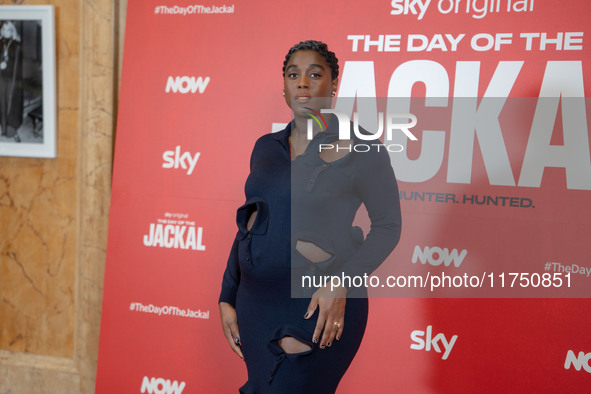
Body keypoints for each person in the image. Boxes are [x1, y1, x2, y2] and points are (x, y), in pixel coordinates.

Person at [219, 40, 401, 393]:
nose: (302, 83)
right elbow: (249, 225)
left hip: (316, 302)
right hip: (255, 303)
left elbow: (388, 227)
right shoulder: (265, 148)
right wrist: (228, 294)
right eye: (293, 75)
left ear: (334, 84)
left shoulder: (363, 147)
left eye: (314, 74)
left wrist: (341, 282)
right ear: (284, 88)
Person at [0, 20, 23, 142]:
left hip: (12, 80)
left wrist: (6, 65)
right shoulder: (0, 42)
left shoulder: (16, 45)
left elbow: (17, 65)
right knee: (2, 103)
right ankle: (3, 129)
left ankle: (12, 131)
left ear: (12, 31)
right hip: (1, 78)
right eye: (3, 29)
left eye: (8, 29)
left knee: (11, 104)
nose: (5, 32)